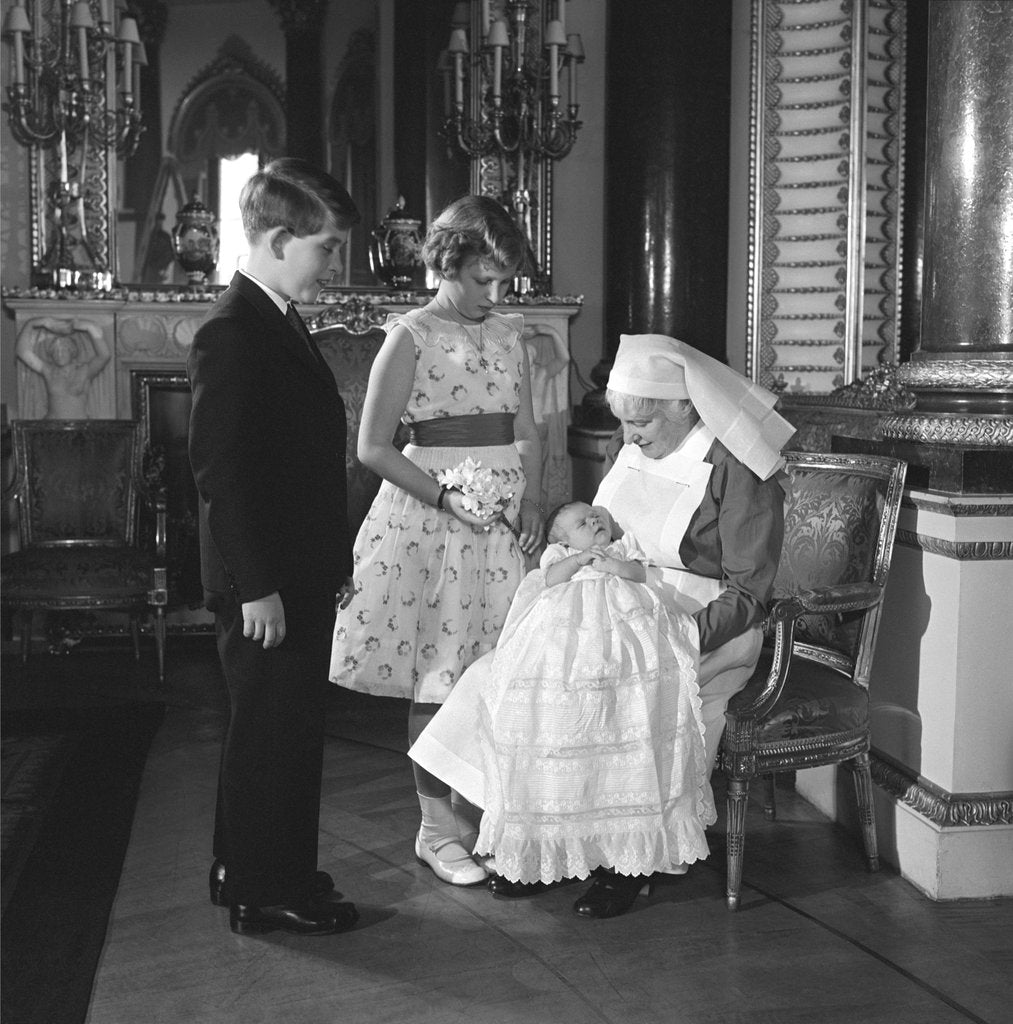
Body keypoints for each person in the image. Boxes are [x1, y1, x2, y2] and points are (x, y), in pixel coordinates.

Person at [408, 333, 795, 917]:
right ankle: (550, 847)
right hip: (611, 606)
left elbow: (749, 593)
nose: (628, 438)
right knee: (511, 678)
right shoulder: (631, 440)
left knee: (620, 693)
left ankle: (629, 860)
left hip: (700, 617)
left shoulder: (736, 466)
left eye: (640, 424)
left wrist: (673, 633)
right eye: (624, 424)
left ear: (683, 407)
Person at [329, 194, 545, 888]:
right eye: (483, 279)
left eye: (504, 280)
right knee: (440, 675)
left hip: (506, 523)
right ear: (446, 263)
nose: (495, 292)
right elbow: (371, 447)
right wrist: (446, 497)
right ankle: (434, 829)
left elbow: (527, 431)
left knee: (499, 675)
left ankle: (484, 815)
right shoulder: (411, 335)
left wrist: (534, 497)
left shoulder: (512, 335)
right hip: (433, 521)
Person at [187, 157, 360, 937]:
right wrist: (256, 585)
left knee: (273, 728)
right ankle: (267, 893)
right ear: (280, 238)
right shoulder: (233, 330)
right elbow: (220, 472)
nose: (333, 265)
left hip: (294, 569)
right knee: (274, 735)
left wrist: (333, 562)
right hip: (266, 581)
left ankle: (248, 868)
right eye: (325, 249)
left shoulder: (275, 317)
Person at [473, 500, 714, 896]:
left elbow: (641, 575)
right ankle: (543, 854)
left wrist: (616, 567)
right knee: (547, 708)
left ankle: (628, 856)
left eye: (595, 516)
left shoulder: (622, 549)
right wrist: (581, 559)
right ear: (560, 539)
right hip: (568, 635)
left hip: (623, 631)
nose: (594, 521)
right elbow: (549, 579)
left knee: (628, 701)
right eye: (581, 523)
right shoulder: (563, 556)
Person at [15, 316, 111, 419]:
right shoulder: (49, 371)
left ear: (72, 352)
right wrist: (31, 323)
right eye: (55, 351)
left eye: (63, 350)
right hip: (52, 428)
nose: (59, 354)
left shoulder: (84, 371)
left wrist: (89, 327)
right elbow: (22, 352)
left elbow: (104, 356)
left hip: (80, 428)